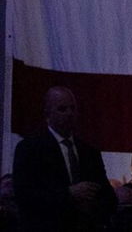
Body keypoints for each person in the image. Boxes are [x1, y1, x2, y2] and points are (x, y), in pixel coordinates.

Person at [12, 86, 117, 230]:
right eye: (62, 109)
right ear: (47, 114)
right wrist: (68, 194)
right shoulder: (30, 149)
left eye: (73, 108)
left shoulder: (89, 152)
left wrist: (93, 205)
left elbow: (109, 198)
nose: (70, 113)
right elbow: (24, 196)